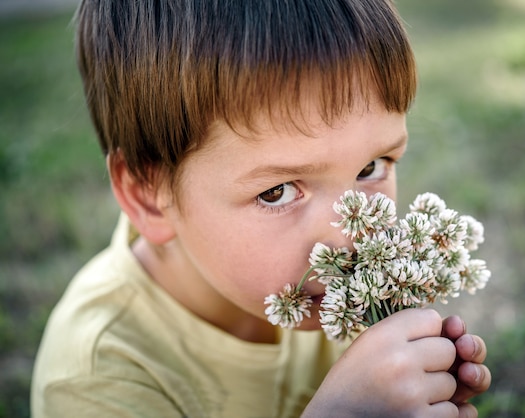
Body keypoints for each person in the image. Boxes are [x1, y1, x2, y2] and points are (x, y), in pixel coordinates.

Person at [31, 1, 491, 417]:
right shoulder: (99, 380)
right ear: (150, 195)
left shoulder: (350, 297)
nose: (349, 237)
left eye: (371, 167)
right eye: (277, 192)